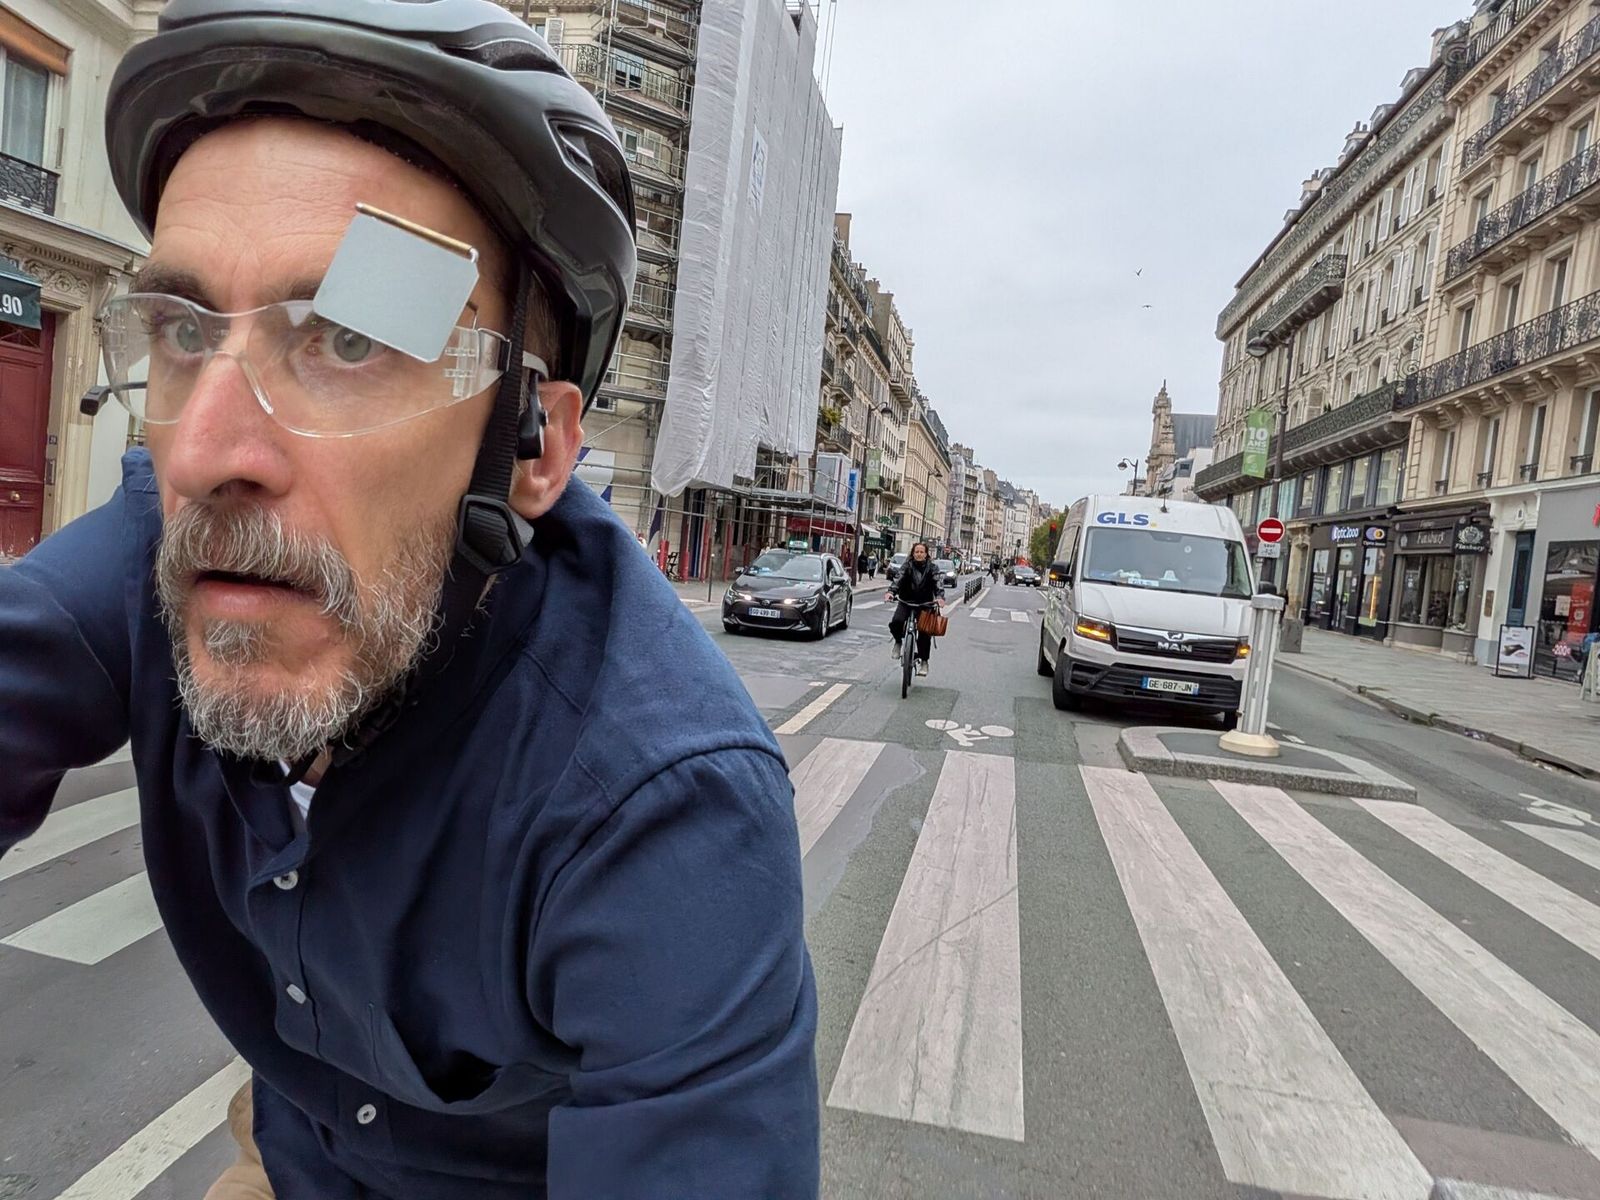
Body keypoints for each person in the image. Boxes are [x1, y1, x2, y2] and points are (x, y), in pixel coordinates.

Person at [0, 3, 818, 1198]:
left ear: (533, 452)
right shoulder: (170, 545)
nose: (205, 454)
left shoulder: (665, 804)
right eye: (182, 330)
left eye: (345, 343)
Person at [887, 541, 944, 676]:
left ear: (926, 554)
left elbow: (938, 583)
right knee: (896, 622)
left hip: (925, 604)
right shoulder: (907, 566)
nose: (919, 554)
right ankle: (898, 642)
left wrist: (939, 597)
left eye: (921, 552)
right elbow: (898, 579)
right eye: (916, 552)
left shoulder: (932, 568)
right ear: (913, 554)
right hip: (906, 601)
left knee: (924, 633)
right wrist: (891, 592)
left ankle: (924, 661)